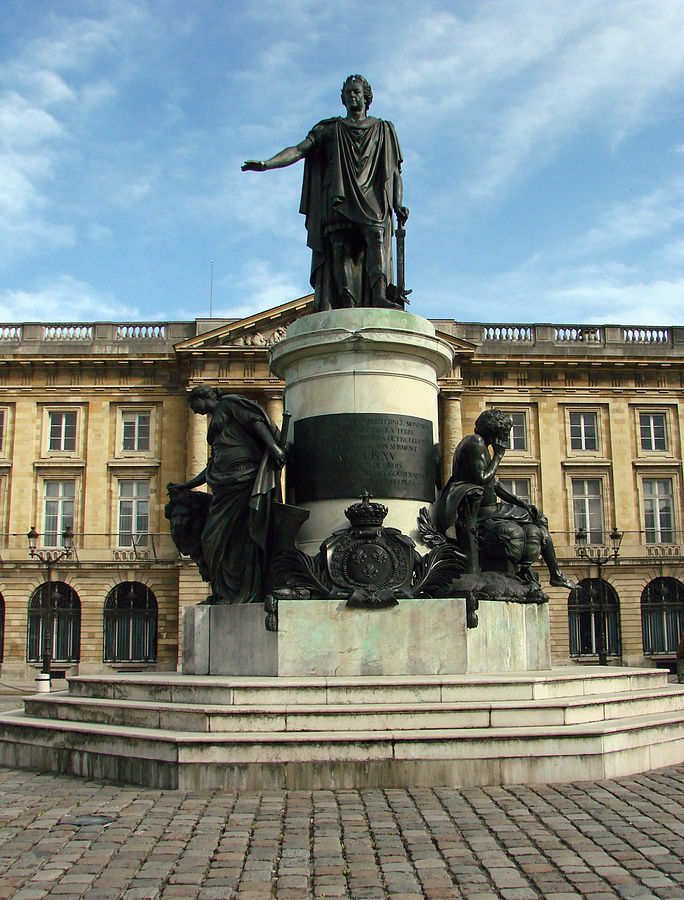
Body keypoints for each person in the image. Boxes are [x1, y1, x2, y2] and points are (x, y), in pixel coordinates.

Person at [242, 74, 409, 311]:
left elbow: (394, 172)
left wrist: (398, 202)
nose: (353, 95)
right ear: (343, 98)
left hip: (371, 197)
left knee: (375, 236)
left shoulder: (383, 129)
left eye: (357, 92)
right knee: (340, 248)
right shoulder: (330, 129)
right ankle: (346, 304)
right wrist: (267, 164)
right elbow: (299, 149)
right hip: (338, 195)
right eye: (348, 92)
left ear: (367, 97)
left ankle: (379, 294)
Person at [167, 388, 286, 604]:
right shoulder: (217, 424)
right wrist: (186, 486)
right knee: (215, 539)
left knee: (238, 536)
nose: (194, 411)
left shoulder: (229, 403)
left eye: (194, 405)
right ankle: (228, 591)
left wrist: (273, 448)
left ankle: (241, 591)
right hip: (226, 485)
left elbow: (255, 422)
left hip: (243, 478)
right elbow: (212, 465)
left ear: (203, 398)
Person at [433, 408, 574, 588]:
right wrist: (498, 456)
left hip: (493, 509)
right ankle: (554, 574)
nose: (505, 439)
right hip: (481, 512)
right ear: (495, 430)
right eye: (504, 433)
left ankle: (547, 573)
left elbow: (494, 485)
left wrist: (523, 503)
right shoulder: (475, 443)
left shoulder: (480, 445)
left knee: (537, 517)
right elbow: (482, 478)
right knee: (539, 521)